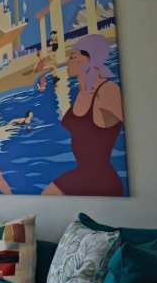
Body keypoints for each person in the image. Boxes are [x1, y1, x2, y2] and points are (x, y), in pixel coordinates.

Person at [41, 34, 124, 196]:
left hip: (101, 180)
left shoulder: (107, 91)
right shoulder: (81, 93)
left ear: (90, 58)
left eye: (73, 56)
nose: (68, 62)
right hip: (84, 175)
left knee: (44, 202)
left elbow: (141, 125)